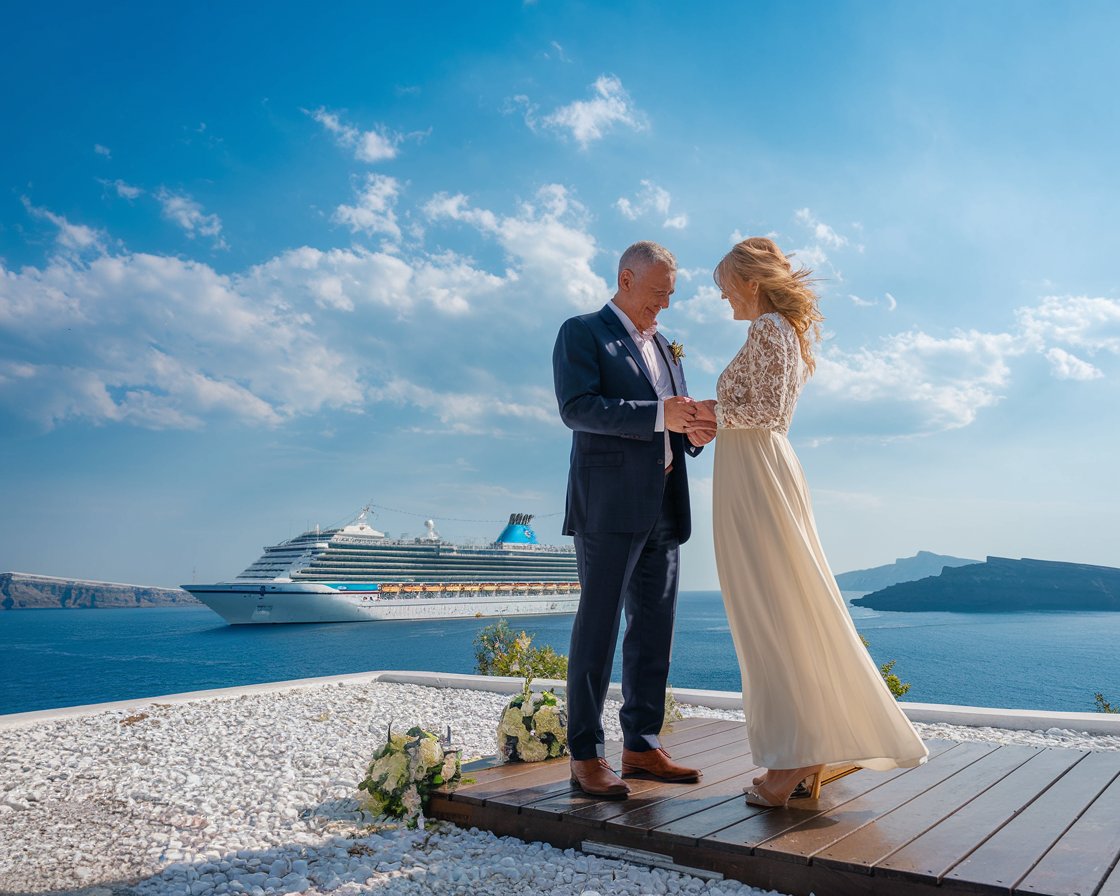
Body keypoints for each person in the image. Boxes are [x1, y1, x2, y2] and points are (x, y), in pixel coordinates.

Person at [709, 237, 928, 808]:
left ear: (750, 283)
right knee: (777, 605)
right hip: (753, 468)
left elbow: (768, 411)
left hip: (757, 473)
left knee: (773, 609)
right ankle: (802, 749)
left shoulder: (768, 330)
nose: (722, 296)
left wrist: (706, 413)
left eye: (725, 285)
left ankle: (797, 756)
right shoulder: (781, 332)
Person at [553, 240, 716, 799]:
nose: (665, 305)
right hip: (608, 506)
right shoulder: (582, 332)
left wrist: (691, 429)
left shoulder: (668, 348)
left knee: (654, 631)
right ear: (626, 279)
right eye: (658, 293)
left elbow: (670, 419)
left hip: (666, 505)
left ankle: (641, 745)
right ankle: (586, 754)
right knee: (596, 631)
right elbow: (576, 408)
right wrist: (657, 415)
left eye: (671, 296)